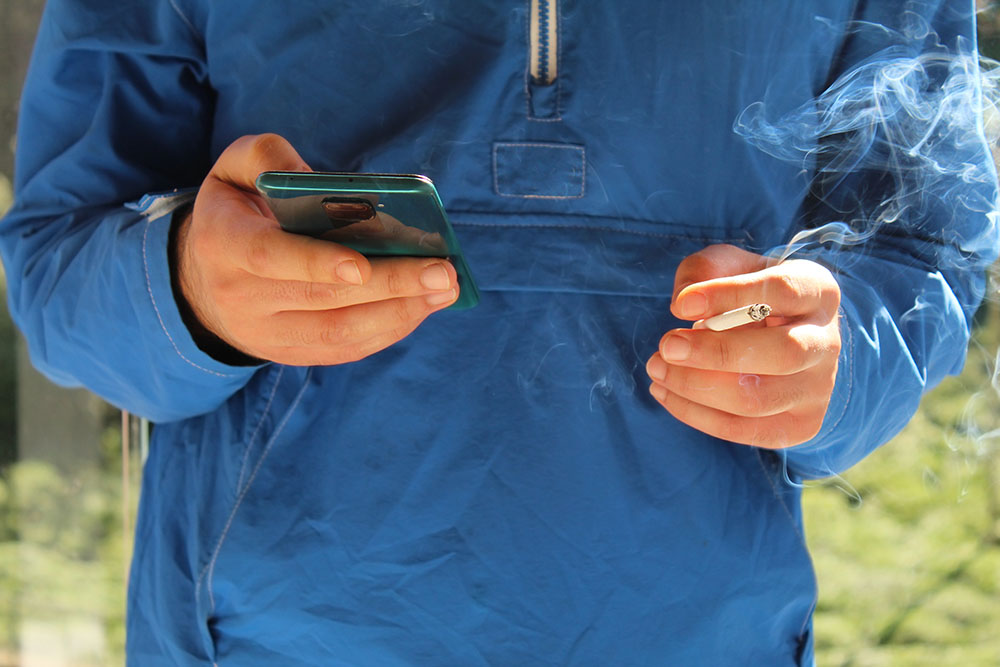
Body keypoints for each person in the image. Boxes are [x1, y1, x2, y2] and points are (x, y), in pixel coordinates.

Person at [1, 0, 996, 664]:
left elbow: (925, 249)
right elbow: (56, 256)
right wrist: (184, 284)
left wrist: (845, 341)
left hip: (700, 632)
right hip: (270, 635)